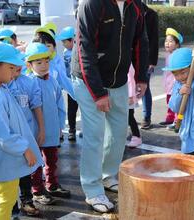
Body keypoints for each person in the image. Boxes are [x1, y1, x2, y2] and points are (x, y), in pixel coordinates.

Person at [72, 0, 149, 213]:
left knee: (118, 131)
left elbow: (140, 41)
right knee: (95, 134)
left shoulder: (135, 6)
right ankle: (93, 189)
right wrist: (98, 93)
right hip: (89, 80)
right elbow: (83, 47)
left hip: (119, 81)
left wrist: (142, 77)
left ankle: (107, 175)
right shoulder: (92, 4)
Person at [0, 41, 44, 220]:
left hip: (2, 158)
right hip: (9, 158)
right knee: (6, 199)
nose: (15, 72)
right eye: (11, 67)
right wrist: (25, 149)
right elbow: (2, 135)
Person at [25, 42, 71, 204]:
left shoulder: (52, 81)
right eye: (39, 63)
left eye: (46, 61)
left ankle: (51, 184)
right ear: (29, 65)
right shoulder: (29, 83)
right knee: (36, 162)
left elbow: (60, 105)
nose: (44, 65)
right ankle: (37, 190)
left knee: (51, 160)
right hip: (35, 132)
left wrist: (60, 127)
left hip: (51, 130)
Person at [8, 66, 45, 216]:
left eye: (18, 65)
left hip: (25, 134)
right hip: (8, 137)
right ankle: (11, 206)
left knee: (25, 169)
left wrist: (41, 129)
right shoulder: (0, 86)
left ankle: (26, 200)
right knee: (8, 174)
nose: (16, 69)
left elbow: (36, 105)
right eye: (11, 66)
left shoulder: (28, 82)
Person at [56, 26, 79, 141]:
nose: (63, 44)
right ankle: (72, 130)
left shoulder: (79, 50)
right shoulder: (66, 52)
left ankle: (87, 130)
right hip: (71, 86)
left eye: (64, 41)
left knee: (86, 109)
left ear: (72, 40)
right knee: (72, 109)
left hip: (82, 85)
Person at [159, 28, 183, 130]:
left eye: (171, 41)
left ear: (177, 44)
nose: (167, 43)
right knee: (169, 101)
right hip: (169, 84)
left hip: (175, 84)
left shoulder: (177, 55)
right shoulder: (168, 54)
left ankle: (177, 122)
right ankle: (170, 118)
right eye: (166, 41)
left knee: (176, 103)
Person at [140, 3, 159, 130]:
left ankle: (146, 117)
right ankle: (127, 116)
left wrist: (152, 61)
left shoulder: (151, 14)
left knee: (145, 87)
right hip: (128, 58)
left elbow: (154, 39)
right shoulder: (127, 11)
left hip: (145, 58)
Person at [127, 64, 142, 147]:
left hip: (128, 97)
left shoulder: (126, 62)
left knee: (130, 117)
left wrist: (130, 96)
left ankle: (136, 136)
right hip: (123, 96)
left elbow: (130, 80)